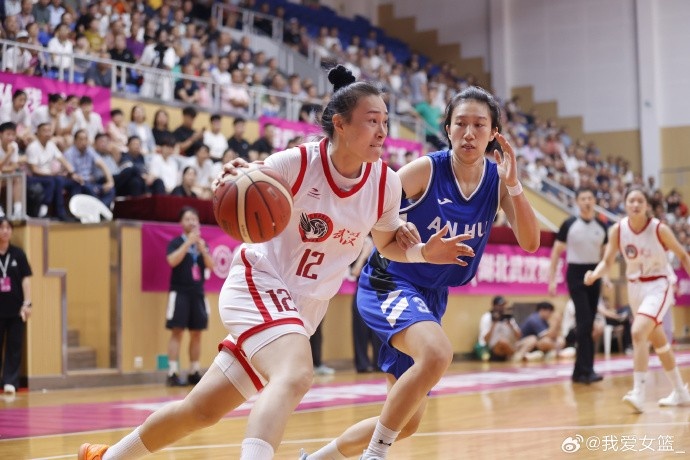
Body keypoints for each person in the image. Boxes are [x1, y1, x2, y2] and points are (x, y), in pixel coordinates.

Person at [78, 65, 469, 460]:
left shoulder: (386, 182)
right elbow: (245, 180)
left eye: (385, 122)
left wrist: (422, 252)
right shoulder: (298, 163)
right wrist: (230, 177)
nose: (383, 132)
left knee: (201, 410)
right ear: (340, 124)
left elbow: (386, 244)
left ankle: (106, 458)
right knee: (295, 375)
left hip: (302, 309)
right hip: (261, 282)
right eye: (372, 121)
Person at [304, 86, 540, 460]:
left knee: (406, 421)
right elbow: (375, 203)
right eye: (460, 123)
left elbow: (530, 241)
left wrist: (514, 185)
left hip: (431, 296)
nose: (469, 133)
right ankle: (374, 455)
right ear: (447, 129)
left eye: (479, 125)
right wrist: (396, 223)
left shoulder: (498, 181)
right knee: (437, 353)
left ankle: (317, 459)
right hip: (391, 279)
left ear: (494, 133)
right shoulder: (427, 169)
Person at [584, 187, 690, 413]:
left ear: (647, 205)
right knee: (659, 343)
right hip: (635, 288)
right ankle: (680, 391)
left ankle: (639, 393)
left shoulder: (659, 229)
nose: (635, 204)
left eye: (640, 200)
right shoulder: (618, 230)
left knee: (638, 331)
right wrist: (595, 274)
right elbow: (607, 261)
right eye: (631, 200)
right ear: (625, 204)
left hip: (659, 284)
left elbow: (683, 255)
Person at [548, 187, 608, 384]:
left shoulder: (601, 226)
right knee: (584, 322)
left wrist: (605, 277)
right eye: (583, 198)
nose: (587, 201)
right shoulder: (569, 224)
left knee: (588, 323)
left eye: (590, 198)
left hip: (594, 274)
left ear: (594, 201)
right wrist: (551, 280)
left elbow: (606, 257)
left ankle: (581, 371)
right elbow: (556, 253)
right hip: (575, 274)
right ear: (577, 202)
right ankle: (586, 370)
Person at [164, 206, 214, 387]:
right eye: (188, 219)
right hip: (179, 292)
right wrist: (188, 244)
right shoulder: (176, 242)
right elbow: (172, 261)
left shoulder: (202, 244)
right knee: (177, 331)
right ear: (181, 222)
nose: (191, 222)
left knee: (197, 333)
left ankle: (194, 371)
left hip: (198, 293)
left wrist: (202, 248)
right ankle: (172, 372)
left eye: (194, 219)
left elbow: (211, 266)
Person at [0, 216, 32, 394]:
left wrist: (27, 303)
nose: (5, 231)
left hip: (15, 310)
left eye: (8, 228)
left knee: (14, 347)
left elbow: (25, 280)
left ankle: (10, 381)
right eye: (1, 227)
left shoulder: (18, 254)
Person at [350, 235, 382, 373]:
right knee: (360, 331)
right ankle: (362, 364)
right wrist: (364, 253)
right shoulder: (359, 245)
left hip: (380, 294)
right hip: (362, 294)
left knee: (379, 333)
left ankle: (380, 363)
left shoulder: (384, 245)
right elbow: (354, 272)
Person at [477, 295, 537, 362]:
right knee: (502, 342)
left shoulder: (508, 317)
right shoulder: (487, 317)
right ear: (494, 305)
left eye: (503, 305)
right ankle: (519, 356)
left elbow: (519, 336)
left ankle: (518, 356)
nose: (502, 307)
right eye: (500, 305)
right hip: (495, 348)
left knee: (532, 338)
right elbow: (485, 340)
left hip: (512, 346)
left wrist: (511, 326)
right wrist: (494, 324)